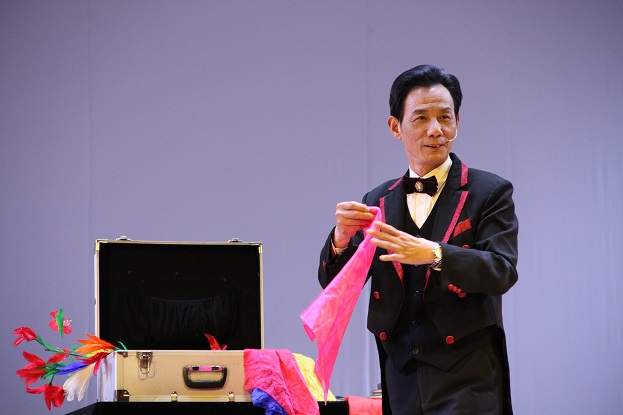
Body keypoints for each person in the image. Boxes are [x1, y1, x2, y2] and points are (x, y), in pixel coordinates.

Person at [318, 64, 518, 414]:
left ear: (458, 121)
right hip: (400, 379)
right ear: (395, 127)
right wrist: (341, 238)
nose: (435, 130)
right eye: (421, 118)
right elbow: (337, 286)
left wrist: (435, 253)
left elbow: (501, 270)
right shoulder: (377, 200)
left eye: (445, 117)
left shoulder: (489, 191)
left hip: (468, 378)